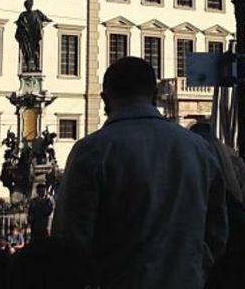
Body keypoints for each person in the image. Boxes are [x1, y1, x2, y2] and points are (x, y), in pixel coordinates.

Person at [52, 56, 228, 289]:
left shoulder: (93, 151)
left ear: (105, 99)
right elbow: (218, 230)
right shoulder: (198, 149)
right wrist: (193, 266)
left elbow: (69, 243)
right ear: (155, 94)